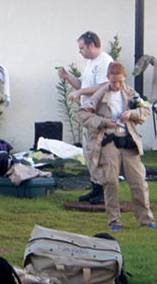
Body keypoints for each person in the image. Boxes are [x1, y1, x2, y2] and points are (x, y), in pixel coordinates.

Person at [78, 61, 155, 231]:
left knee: (138, 181)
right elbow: (83, 114)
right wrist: (103, 121)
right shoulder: (100, 94)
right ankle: (114, 221)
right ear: (108, 78)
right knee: (110, 181)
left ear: (124, 79)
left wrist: (132, 113)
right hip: (109, 141)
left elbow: (146, 110)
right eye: (113, 82)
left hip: (128, 141)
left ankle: (146, 219)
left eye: (120, 81)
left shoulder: (130, 93)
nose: (117, 85)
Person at [58, 31, 113, 204]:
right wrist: (68, 77)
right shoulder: (89, 63)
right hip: (87, 114)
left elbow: (104, 86)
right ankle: (95, 186)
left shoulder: (105, 61)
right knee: (88, 151)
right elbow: (83, 84)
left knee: (99, 151)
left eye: (82, 48)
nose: (80, 51)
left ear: (91, 45)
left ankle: (104, 191)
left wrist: (81, 92)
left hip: (99, 113)